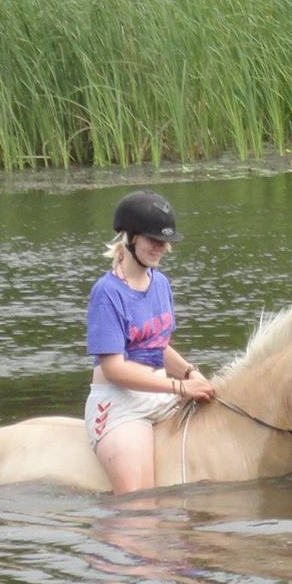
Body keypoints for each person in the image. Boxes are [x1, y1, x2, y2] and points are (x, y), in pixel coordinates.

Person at [84, 190, 215, 494]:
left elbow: (157, 345)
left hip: (160, 393)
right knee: (139, 503)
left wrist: (190, 373)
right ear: (129, 237)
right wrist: (180, 388)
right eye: (153, 239)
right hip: (120, 402)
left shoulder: (161, 284)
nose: (161, 247)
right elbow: (115, 369)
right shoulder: (107, 292)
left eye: (164, 241)